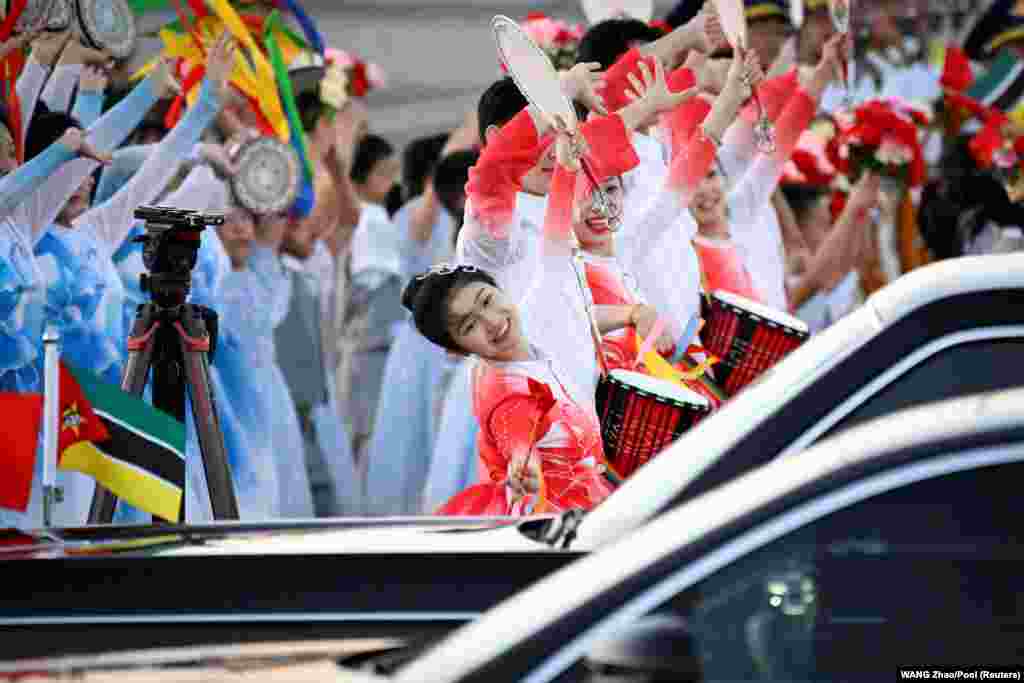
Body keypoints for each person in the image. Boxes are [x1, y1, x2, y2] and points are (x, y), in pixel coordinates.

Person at [405, 122, 628, 515]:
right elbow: (518, 438)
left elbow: (556, 241)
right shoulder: (507, 393)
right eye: (470, 325)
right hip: (558, 526)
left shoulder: (530, 319)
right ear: (459, 350)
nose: (491, 320)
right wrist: (523, 465)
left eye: (487, 300)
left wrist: (565, 168)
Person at [339, 133, 404, 465]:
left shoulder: (378, 217)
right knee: (366, 431)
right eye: (383, 173)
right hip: (370, 343)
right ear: (361, 176)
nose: (392, 182)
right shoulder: (368, 220)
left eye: (395, 172)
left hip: (378, 341)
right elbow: (367, 288)